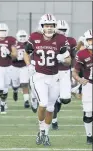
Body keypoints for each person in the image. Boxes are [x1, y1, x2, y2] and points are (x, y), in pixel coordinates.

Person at [25, 14, 71, 146]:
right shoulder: (34, 37)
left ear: (55, 27)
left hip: (55, 76)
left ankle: (45, 134)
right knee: (43, 103)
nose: (49, 28)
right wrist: (29, 65)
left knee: (51, 108)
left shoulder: (61, 39)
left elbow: (69, 60)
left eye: (51, 26)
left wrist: (63, 59)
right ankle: (41, 129)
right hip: (39, 76)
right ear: (42, 26)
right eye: (47, 25)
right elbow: (26, 53)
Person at [52, 20, 77, 130]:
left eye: (63, 30)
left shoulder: (71, 41)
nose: (61, 32)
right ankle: (54, 121)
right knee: (51, 98)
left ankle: (58, 100)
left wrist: (73, 71)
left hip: (65, 71)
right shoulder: (50, 40)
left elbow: (74, 57)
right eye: (60, 30)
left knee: (65, 99)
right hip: (52, 71)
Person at [72, 29, 93, 145]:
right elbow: (75, 72)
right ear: (86, 41)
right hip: (89, 84)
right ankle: (89, 136)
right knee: (88, 111)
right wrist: (80, 79)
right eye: (90, 40)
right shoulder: (82, 53)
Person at [10, 30, 30, 108]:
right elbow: (11, 57)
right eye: (21, 36)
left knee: (25, 84)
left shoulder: (29, 44)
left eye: (23, 36)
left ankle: (26, 101)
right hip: (15, 66)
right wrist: (14, 56)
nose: (22, 38)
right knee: (15, 85)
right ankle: (15, 91)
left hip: (24, 66)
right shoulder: (14, 45)